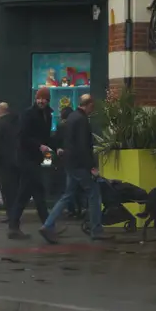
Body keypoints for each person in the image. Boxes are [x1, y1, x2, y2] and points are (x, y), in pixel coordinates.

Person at [39, 94, 103, 244]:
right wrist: (91, 166)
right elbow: (83, 146)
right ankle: (96, 230)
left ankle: (48, 225)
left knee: (67, 195)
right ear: (89, 104)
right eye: (92, 106)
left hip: (70, 163)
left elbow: (63, 140)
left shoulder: (72, 117)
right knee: (94, 194)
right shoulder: (82, 120)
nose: (92, 109)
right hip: (79, 164)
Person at [6, 88, 54, 239]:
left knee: (26, 193)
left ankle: (14, 226)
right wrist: (39, 146)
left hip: (36, 158)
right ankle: (48, 226)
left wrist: (54, 147)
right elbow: (23, 136)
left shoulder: (48, 115)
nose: (41, 101)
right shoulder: (28, 114)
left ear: (48, 100)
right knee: (37, 191)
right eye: (39, 98)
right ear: (35, 98)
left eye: (44, 99)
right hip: (26, 158)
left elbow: (47, 137)